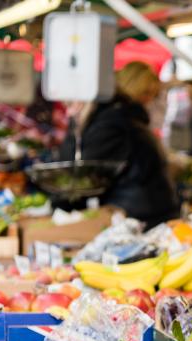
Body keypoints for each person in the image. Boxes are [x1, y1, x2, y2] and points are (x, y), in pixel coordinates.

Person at [59, 61, 178, 226]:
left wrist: (61, 206)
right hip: (147, 209)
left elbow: (84, 174)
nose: (150, 100)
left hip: (140, 215)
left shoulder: (112, 121)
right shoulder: (122, 117)